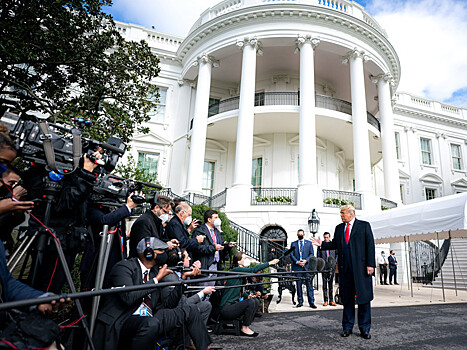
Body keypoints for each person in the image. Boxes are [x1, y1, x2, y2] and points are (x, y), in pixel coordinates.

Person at [93, 237, 212, 350]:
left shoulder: (154, 271)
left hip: (151, 317)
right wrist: (156, 280)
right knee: (150, 323)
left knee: (190, 309)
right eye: (160, 250)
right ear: (148, 253)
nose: (164, 254)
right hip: (125, 319)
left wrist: (183, 280)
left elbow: (168, 304)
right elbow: (128, 297)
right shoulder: (124, 267)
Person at [311, 205, 375, 340]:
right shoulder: (339, 228)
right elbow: (335, 244)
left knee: (363, 299)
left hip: (361, 269)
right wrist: (322, 243)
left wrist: (371, 264)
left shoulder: (364, 226)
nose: (341, 215)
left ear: (351, 214)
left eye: (343, 213)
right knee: (347, 300)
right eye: (341, 213)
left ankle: (364, 328)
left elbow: (370, 245)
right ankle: (347, 327)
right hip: (345, 270)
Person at [219, 251, 279, 337]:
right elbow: (252, 270)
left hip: (232, 305)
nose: (247, 259)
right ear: (239, 261)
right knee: (251, 302)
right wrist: (270, 263)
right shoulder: (237, 270)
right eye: (245, 258)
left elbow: (240, 291)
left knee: (254, 300)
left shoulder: (240, 272)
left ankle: (246, 325)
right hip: (226, 308)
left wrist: (248, 296)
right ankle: (245, 328)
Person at [162, 248, 215, 326]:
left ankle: (196, 334)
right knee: (206, 306)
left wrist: (195, 274)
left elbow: (190, 292)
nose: (190, 258)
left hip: (182, 307)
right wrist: (203, 292)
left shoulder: (182, 273)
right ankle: (195, 335)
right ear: (180, 261)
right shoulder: (170, 278)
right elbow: (183, 303)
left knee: (206, 305)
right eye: (187, 257)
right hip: (174, 312)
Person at [192, 209, 236, 285]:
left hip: (215, 265)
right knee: (202, 290)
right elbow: (197, 248)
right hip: (205, 265)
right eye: (215, 217)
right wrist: (214, 248)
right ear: (209, 219)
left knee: (210, 290)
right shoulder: (199, 230)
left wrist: (227, 246)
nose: (218, 219)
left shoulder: (217, 231)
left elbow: (220, 245)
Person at [290, 229, 317, 308]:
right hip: (297, 267)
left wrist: (306, 261)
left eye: (301, 234)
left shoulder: (309, 243)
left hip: (307, 267)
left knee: (309, 285)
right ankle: (300, 301)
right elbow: (291, 254)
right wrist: (297, 262)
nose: (300, 236)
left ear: (304, 235)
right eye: (299, 234)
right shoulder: (293, 243)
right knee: (298, 286)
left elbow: (312, 253)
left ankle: (311, 302)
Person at [317, 232, 337, 306]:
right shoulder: (321, 246)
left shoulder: (333, 245)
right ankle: (325, 300)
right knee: (324, 284)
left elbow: (336, 255)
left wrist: (334, 263)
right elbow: (318, 257)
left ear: (329, 237)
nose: (326, 239)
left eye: (327, 237)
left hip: (331, 267)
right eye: (325, 237)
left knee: (331, 284)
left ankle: (331, 300)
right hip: (324, 268)